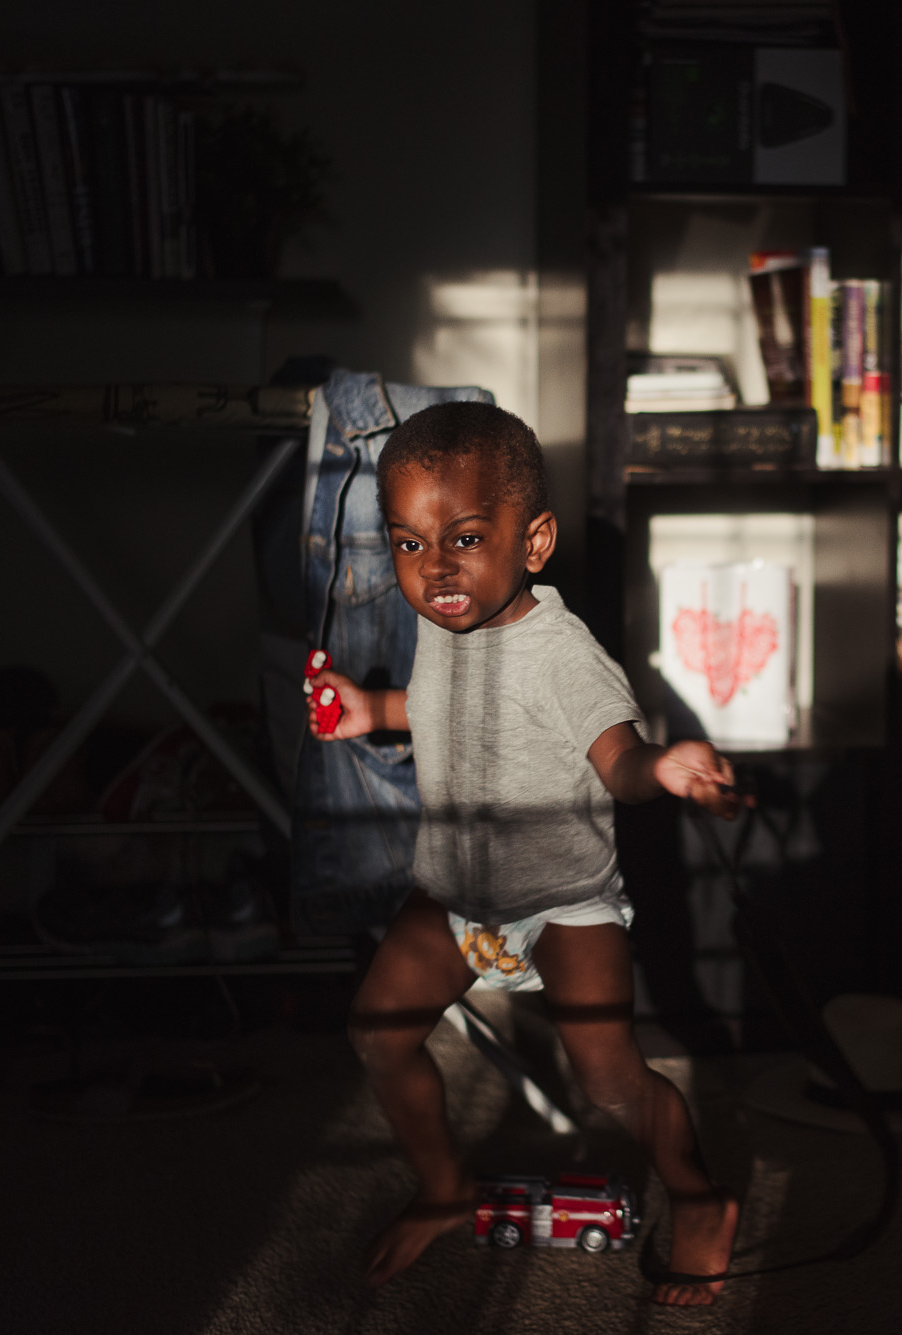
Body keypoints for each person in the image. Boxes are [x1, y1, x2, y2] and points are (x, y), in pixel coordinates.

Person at [309, 401, 741, 1304]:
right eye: (407, 545)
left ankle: (699, 1198)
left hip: (561, 903)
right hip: (455, 891)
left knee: (612, 1079)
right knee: (377, 1034)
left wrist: (663, 765)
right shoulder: (444, 620)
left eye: (463, 539)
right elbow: (435, 709)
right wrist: (370, 711)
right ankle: (443, 1185)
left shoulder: (565, 658)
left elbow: (616, 757)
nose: (434, 572)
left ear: (534, 540)